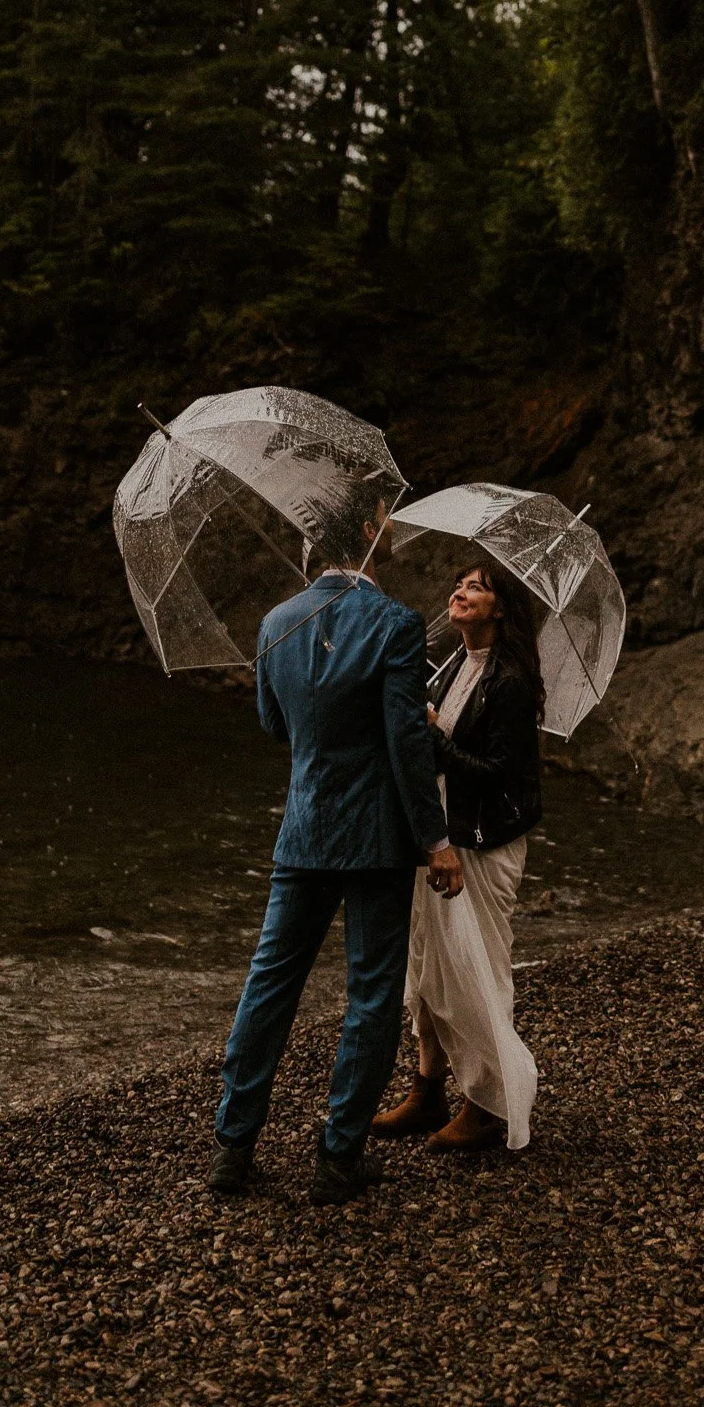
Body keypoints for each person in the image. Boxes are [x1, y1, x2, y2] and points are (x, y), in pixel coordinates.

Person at [208, 486, 464, 1206]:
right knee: (372, 991)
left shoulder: (276, 624)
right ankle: (338, 1154)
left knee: (270, 983)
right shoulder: (394, 624)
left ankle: (234, 1146)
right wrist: (435, 838)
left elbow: (272, 724)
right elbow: (406, 743)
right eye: (383, 521)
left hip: (303, 828)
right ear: (365, 534)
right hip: (377, 836)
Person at [372, 559, 542, 1153]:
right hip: (444, 838)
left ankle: (489, 1103)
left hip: (485, 844)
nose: (461, 592)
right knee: (426, 970)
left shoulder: (512, 681)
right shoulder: (457, 666)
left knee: (476, 971)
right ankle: (428, 1091)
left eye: (477, 587)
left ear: (501, 608)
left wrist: (436, 739)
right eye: (461, 584)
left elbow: (502, 775)